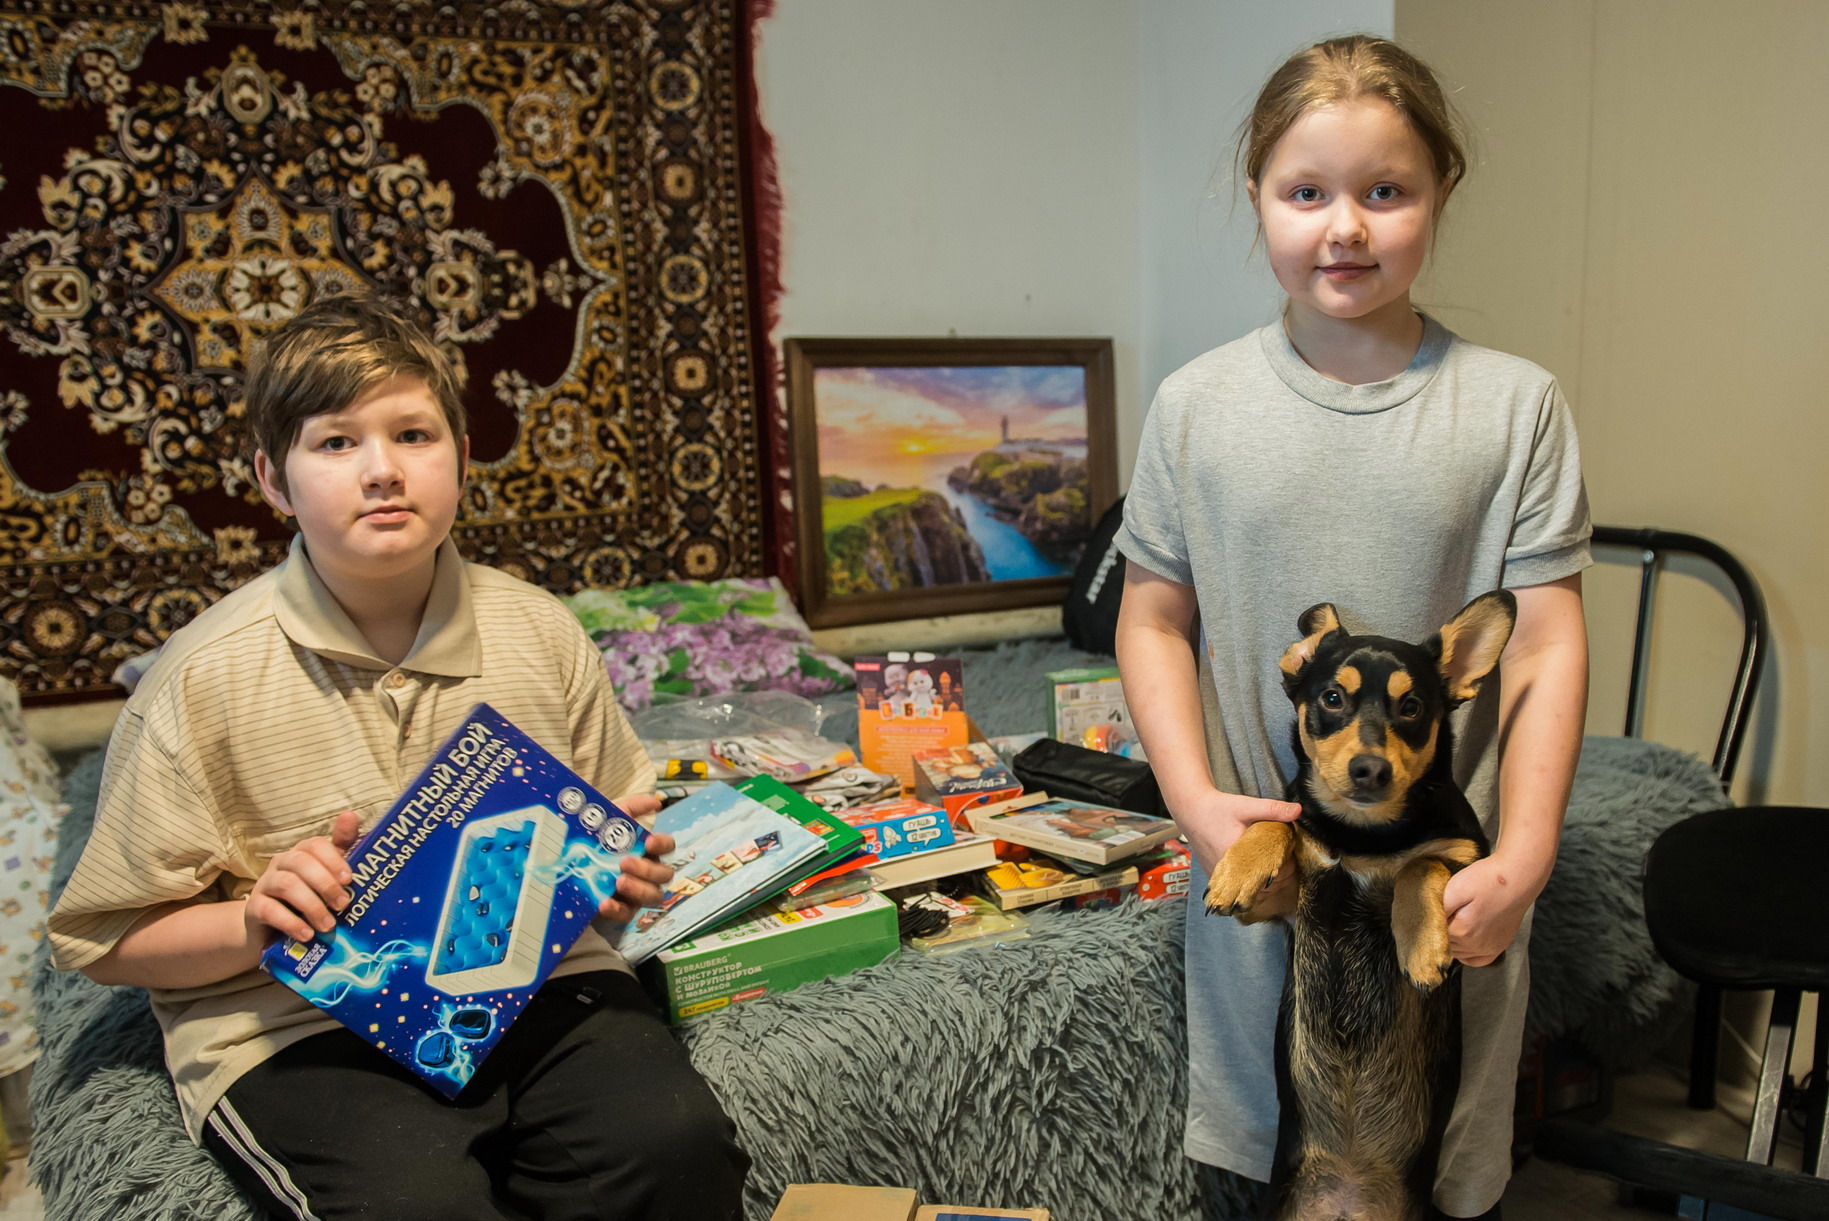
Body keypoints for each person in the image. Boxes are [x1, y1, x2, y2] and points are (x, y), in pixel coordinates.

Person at [48, 295, 750, 1220]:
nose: (382, 469)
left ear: (462, 456)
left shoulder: (540, 630)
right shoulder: (198, 680)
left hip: (537, 976)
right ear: (272, 478)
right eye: (336, 442)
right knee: (418, 1203)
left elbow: (620, 822)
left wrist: (620, 879)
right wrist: (255, 919)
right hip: (295, 1019)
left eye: (413, 434)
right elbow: (107, 942)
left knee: (676, 1146)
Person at [1112, 35, 1589, 1221]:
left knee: (1431, 1179)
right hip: (1262, 887)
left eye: (1384, 191)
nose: (1344, 227)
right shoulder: (1193, 407)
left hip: (1447, 893)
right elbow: (1152, 618)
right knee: (1260, 1174)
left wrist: (1523, 860)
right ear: (1256, 198)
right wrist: (1193, 803)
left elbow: (1542, 642)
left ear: (1439, 192)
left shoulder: (1513, 406)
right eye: (1305, 193)